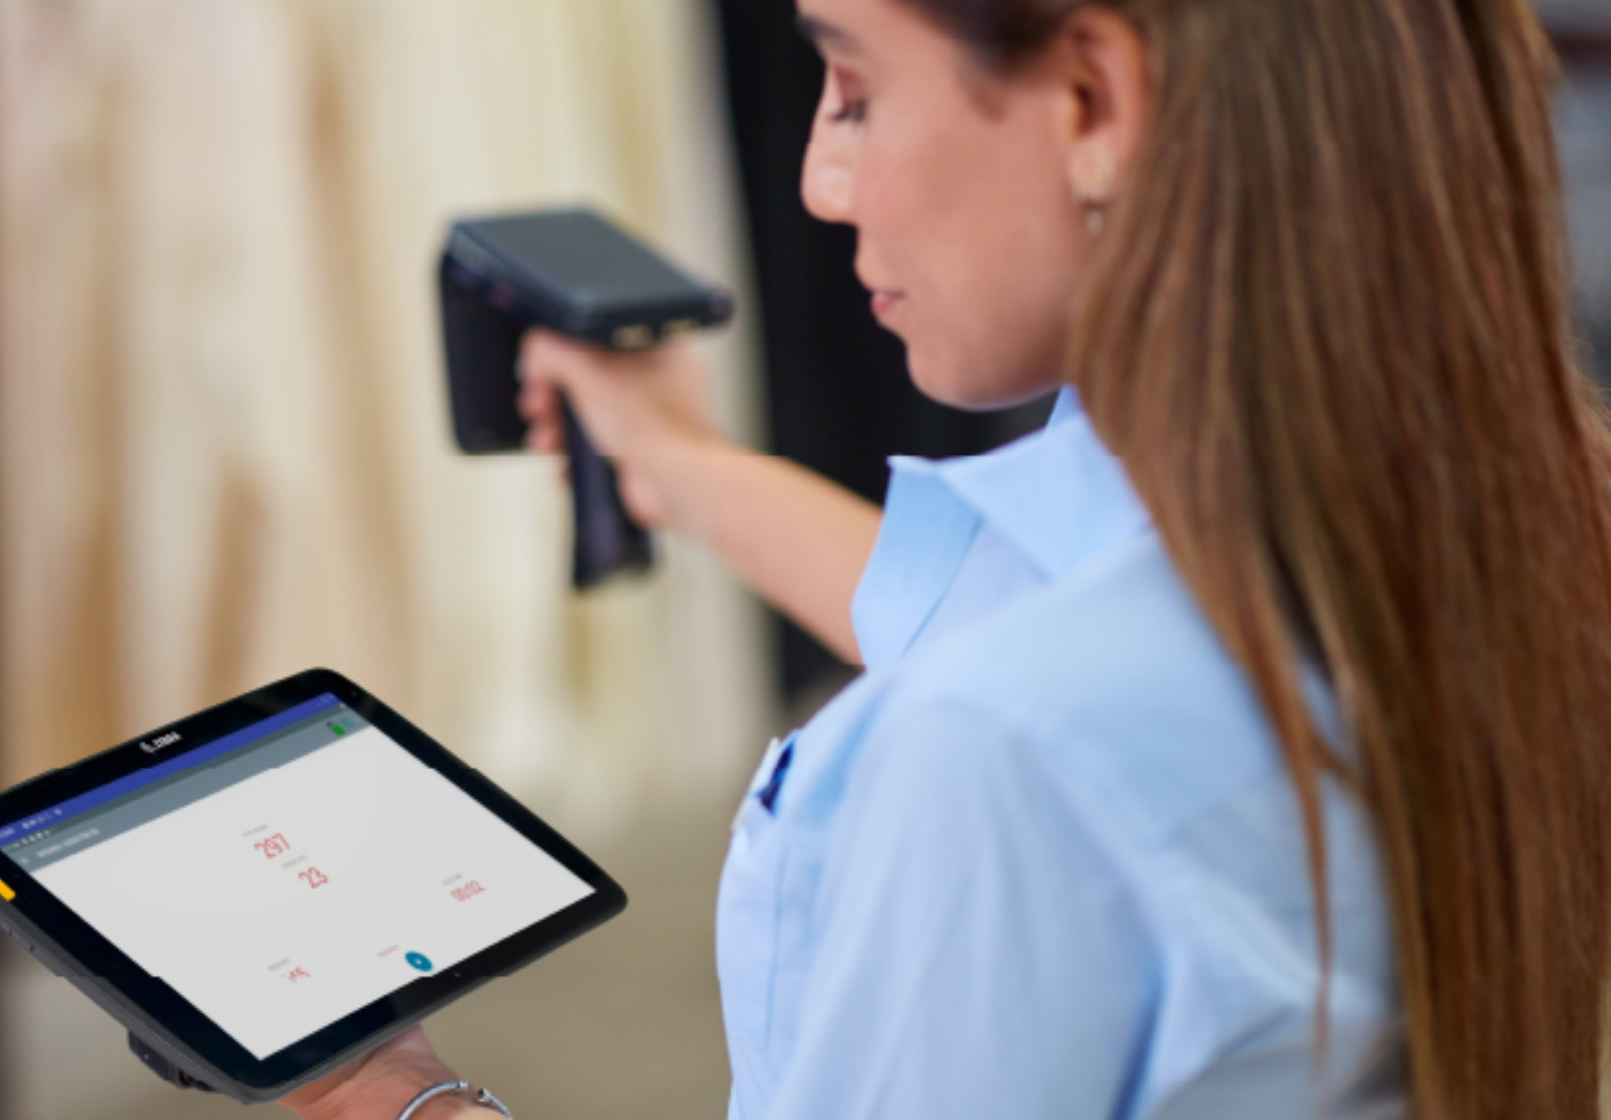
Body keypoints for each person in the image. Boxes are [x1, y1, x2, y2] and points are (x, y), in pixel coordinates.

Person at [285, 0, 1611, 1116]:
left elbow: (1024, 706)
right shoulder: (1492, 517)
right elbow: (1014, 609)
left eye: (857, 91)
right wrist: (676, 462)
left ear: (1091, 103)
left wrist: (399, 1097)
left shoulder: (997, 756)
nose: (820, 180)